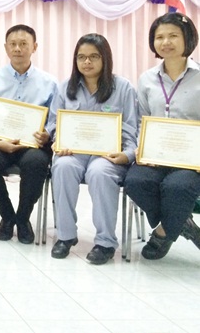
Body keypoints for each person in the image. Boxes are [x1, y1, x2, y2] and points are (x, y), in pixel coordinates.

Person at [47, 33, 138, 265]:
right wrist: (57, 142)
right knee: (63, 167)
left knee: (99, 172)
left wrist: (127, 155)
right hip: (73, 152)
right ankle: (65, 236)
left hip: (108, 155)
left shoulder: (124, 88)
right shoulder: (64, 87)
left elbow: (132, 128)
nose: (87, 62)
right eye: (81, 57)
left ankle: (105, 243)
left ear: (105, 58)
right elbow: (54, 123)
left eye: (94, 57)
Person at [125, 12, 200, 260]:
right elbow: (142, 119)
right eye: (159, 37)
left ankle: (163, 232)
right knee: (135, 182)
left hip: (190, 160)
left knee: (177, 187)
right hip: (154, 155)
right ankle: (182, 223)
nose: (165, 42)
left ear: (188, 38)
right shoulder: (147, 79)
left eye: (173, 36)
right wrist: (141, 149)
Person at [0, 25, 57, 244]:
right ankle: (7, 215)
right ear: (6, 47)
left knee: (36, 164)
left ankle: (23, 218)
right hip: (0, 142)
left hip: (33, 145)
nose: (18, 49)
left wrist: (47, 134)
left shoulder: (49, 82)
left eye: (23, 44)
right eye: (13, 44)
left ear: (34, 47)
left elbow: (54, 119)